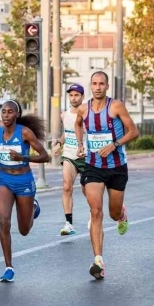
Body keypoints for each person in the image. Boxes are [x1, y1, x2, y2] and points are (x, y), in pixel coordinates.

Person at [74, 71, 139, 280]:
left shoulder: (116, 106)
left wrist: (114, 145)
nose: (98, 87)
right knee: (95, 211)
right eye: (94, 83)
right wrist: (81, 144)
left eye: (102, 83)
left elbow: (133, 131)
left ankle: (121, 214)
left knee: (113, 213)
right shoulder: (83, 109)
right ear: (91, 86)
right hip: (93, 166)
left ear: (107, 86)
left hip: (117, 166)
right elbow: (77, 124)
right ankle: (98, 261)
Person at [0, 100, 49, 282]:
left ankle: (33, 208)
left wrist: (23, 157)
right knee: (4, 222)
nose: (5, 115)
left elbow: (45, 156)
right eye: (3, 111)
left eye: (10, 112)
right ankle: (9, 267)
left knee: (24, 230)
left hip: (24, 181)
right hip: (4, 180)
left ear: (17, 115)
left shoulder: (25, 133)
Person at [53, 83, 87, 236]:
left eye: (76, 95)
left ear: (82, 97)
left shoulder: (88, 114)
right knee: (67, 187)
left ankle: (94, 217)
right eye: (71, 95)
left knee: (89, 192)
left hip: (87, 157)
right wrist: (59, 144)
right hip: (69, 155)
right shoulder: (64, 115)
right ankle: (69, 223)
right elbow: (67, 132)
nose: (73, 98)